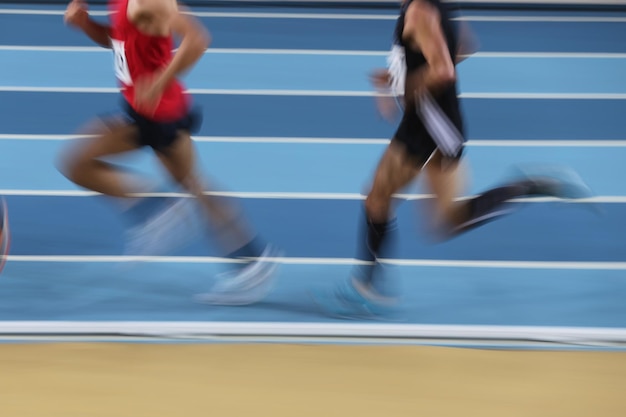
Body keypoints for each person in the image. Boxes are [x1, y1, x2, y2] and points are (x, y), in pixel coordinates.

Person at [313, 0, 592, 319]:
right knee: (448, 220)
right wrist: (400, 76)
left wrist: (405, 86)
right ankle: (530, 185)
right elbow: (464, 46)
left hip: (428, 126)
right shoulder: (436, 6)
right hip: (441, 123)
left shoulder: (419, 11)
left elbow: (443, 69)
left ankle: (367, 290)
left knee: (376, 199)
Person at [60, 0, 280, 305]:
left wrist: (160, 82)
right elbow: (119, 42)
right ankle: (252, 260)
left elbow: (198, 39)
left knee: (75, 162)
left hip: (156, 113)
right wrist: (86, 25)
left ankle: (158, 211)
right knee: (194, 185)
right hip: (147, 110)